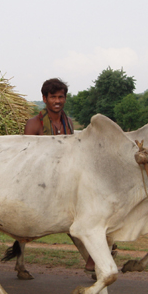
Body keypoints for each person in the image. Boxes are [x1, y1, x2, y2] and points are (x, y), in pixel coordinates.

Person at [24, 78, 97, 274]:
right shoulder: (34, 124)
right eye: (53, 97)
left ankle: (93, 258)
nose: (58, 101)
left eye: (61, 97)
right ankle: (94, 257)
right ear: (44, 99)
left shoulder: (69, 123)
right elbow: (28, 160)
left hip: (65, 179)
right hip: (40, 181)